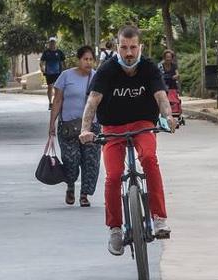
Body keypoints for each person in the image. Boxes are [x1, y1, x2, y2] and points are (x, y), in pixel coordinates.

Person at [80, 25, 177, 255]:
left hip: (143, 124)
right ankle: (114, 228)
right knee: (113, 176)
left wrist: (168, 117)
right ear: (117, 47)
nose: (129, 53)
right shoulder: (106, 70)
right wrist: (85, 129)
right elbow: (92, 103)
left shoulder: (150, 68)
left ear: (140, 47)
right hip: (112, 127)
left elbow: (161, 97)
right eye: (124, 48)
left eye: (133, 47)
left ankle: (159, 218)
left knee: (149, 159)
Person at [48, 46, 100, 207]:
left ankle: (84, 194)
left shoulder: (97, 77)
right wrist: (52, 123)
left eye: (91, 59)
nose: (88, 62)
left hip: (92, 126)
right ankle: (70, 185)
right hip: (68, 126)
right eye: (85, 59)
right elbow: (57, 100)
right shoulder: (66, 76)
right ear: (79, 60)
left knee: (91, 161)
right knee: (71, 160)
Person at [40, 37, 66, 110]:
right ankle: (50, 103)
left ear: (55, 43)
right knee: (50, 87)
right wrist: (42, 69)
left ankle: (57, 102)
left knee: (58, 88)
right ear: (49, 43)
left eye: (53, 42)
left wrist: (64, 71)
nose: (52, 44)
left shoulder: (59, 52)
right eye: (51, 43)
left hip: (58, 73)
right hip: (49, 73)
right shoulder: (46, 52)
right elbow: (41, 62)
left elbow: (63, 62)